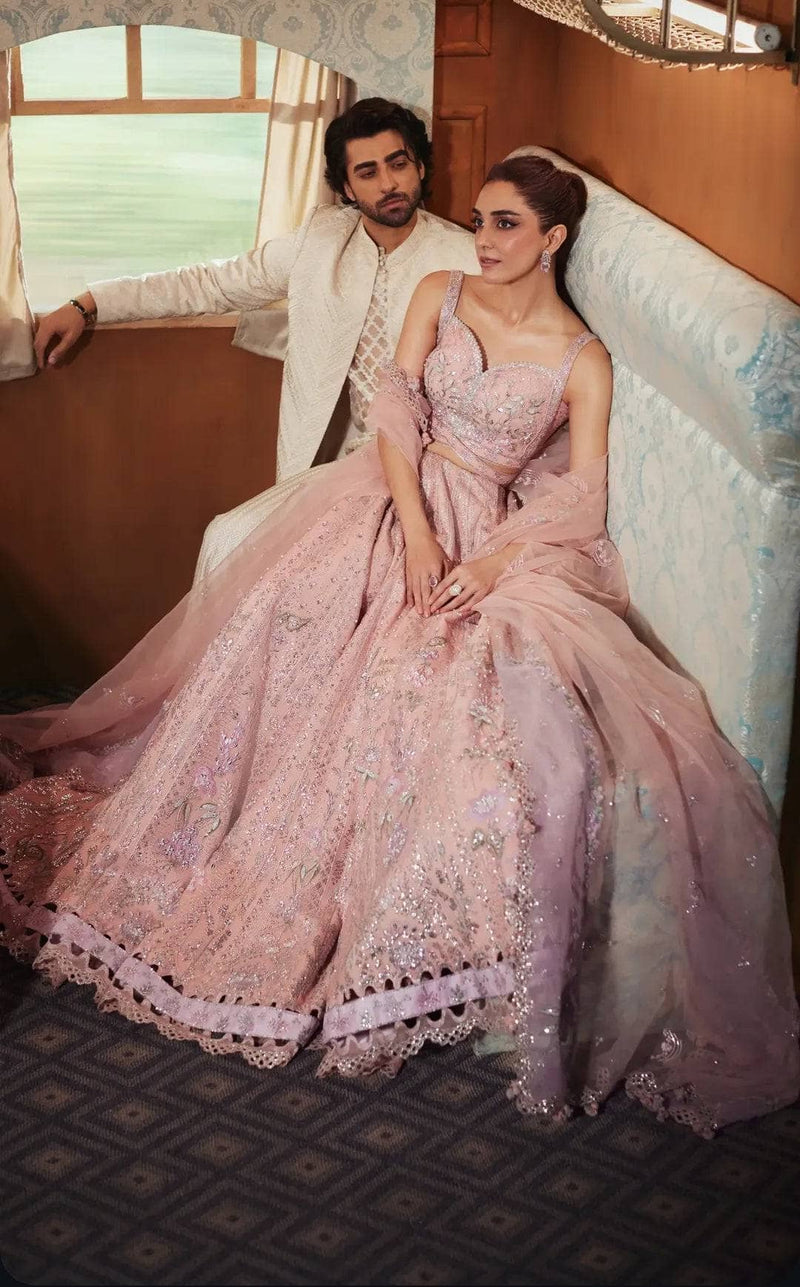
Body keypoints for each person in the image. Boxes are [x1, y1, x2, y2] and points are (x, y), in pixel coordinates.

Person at [1, 155, 797, 1137]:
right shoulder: (441, 291)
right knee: (291, 613)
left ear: (553, 239)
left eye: (506, 225)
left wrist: (491, 564)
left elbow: (579, 499)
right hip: (393, 495)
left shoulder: (581, 361)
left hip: (489, 534)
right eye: (482, 220)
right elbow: (395, 411)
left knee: (434, 685)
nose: (485, 240)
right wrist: (416, 531)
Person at [32, 97, 478, 580]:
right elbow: (211, 283)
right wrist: (91, 302)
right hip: (330, 466)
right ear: (347, 188)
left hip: (425, 468)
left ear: (420, 166)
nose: (388, 183)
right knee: (228, 538)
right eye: (367, 172)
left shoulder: (466, 257)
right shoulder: (320, 241)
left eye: (398, 164)